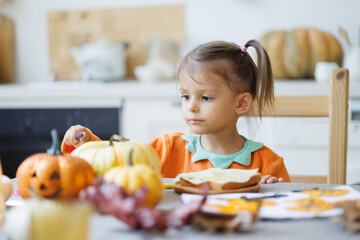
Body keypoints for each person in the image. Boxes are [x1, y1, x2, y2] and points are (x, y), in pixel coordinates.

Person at [62, 39, 291, 184]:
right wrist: (87, 143)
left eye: (206, 97)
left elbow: (288, 211)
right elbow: (116, 163)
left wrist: (273, 192)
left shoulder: (268, 164)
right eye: (185, 96)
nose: (191, 106)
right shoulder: (167, 149)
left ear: (241, 104)